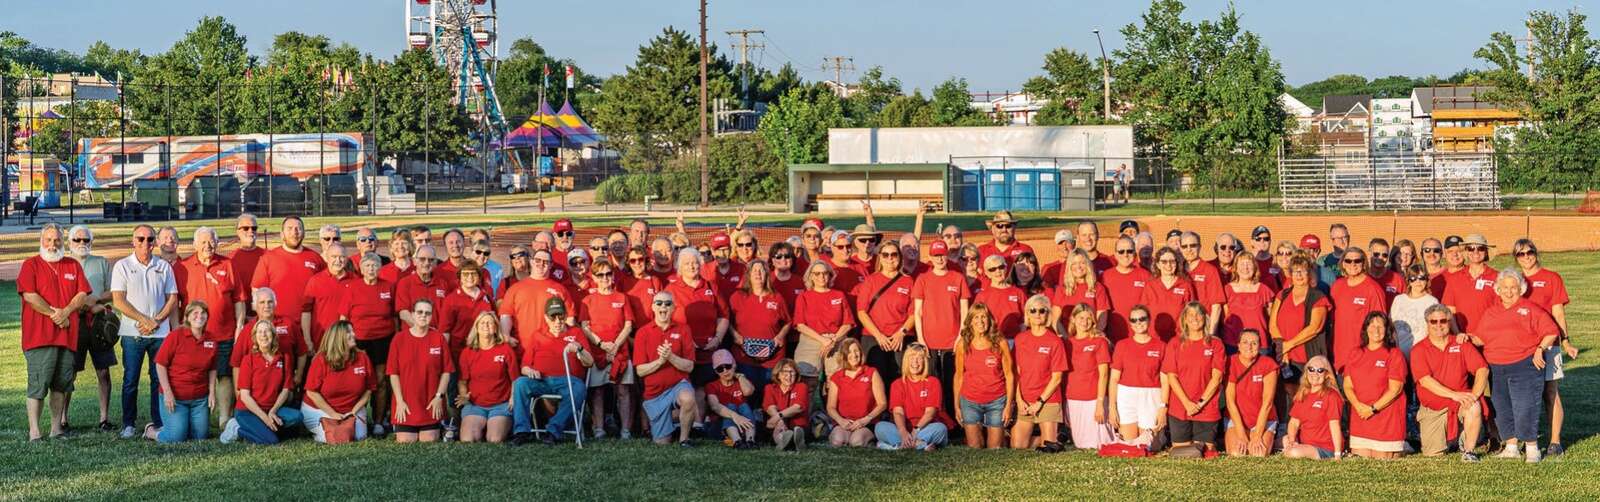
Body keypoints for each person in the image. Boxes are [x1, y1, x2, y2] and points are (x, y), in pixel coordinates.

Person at [1472, 270, 1560, 463]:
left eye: (1513, 287)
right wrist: (1466, 337)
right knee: (1502, 407)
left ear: (1521, 289)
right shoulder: (1491, 312)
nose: (1509, 291)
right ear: (1498, 289)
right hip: (1496, 367)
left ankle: (1532, 449)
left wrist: (1540, 349)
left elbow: (1551, 331)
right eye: (1505, 287)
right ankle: (1511, 447)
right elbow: (1480, 338)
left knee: (1525, 406)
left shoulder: (1530, 309)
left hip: (1524, 364)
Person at [111, 224, 180, 439]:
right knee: (130, 380)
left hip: (160, 334)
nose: (145, 243)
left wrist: (156, 321)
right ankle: (128, 424)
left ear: (155, 242)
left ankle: (158, 422)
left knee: (158, 380)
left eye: (150, 239)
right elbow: (118, 300)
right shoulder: (122, 266)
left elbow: (172, 298)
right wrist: (144, 320)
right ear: (133, 241)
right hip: (133, 334)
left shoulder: (163, 266)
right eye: (140, 239)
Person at [1512, 238, 1573, 457]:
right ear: (1516, 258)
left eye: (1529, 252)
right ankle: (1522, 439)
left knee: (1550, 391)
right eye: (1520, 254)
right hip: (1520, 345)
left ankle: (1555, 442)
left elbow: (1558, 313)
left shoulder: (1551, 278)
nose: (1526, 257)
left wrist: (1565, 341)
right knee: (1521, 394)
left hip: (1548, 344)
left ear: (1536, 253)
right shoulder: (1514, 280)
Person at [508, 298, 595, 446]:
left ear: (566, 316)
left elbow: (590, 362)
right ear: (546, 318)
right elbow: (524, 367)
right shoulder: (537, 335)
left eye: (561, 316)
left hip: (568, 381)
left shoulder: (576, 332)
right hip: (542, 380)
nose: (557, 321)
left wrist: (579, 348)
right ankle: (522, 432)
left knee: (579, 388)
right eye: (553, 317)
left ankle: (553, 430)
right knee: (520, 383)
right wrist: (530, 371)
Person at [1410, 304, 1487, 461]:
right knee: (1433, 453)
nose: (1438, 325)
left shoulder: (1461, 344)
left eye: (1443, 321)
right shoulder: (1419, 349)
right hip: (1434, 407)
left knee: (1474, 406)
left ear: (1449, 322)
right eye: (1434, 321)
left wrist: (1474, 395)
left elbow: (1482, 369)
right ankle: (1455, 440)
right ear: (1427, 323)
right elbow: (1425, 381)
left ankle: (1469, 451)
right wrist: (1453, 395)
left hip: (1460, 402)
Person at [576, 260, 637, 439]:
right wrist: (601, 344)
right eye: (600, 275)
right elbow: (585, 327)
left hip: (620, 352)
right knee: (597, 391)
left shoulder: (622, 298)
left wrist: (615, 345)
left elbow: (628, 325)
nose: (605, 278)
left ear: (613, 275)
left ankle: (625, 430)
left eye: (608, 273)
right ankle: (598, 428)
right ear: (594, 277)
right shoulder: (587, 300)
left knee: (623, 390)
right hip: (597, 353)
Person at [64, 224, 116, 432]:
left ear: (91, 242)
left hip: (98, 323)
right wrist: (79, 305)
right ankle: (63, 418)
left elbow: (113, 291)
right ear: (69, 242)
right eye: (77, 239)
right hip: (73, 323)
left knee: (103, 371)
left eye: (86, 239)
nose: (81, 243)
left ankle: (104, 418)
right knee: (70, 372)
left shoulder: (101, 262)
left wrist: (95, 300)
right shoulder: (64, 264)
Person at [250, 216, 325, 352]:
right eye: (289, 229)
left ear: (304, 233)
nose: (294, 232)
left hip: (309, 328)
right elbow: (257, 293)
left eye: (298, 228)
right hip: (278, 328)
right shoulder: (269, 258)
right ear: (282, 234)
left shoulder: (315, 258)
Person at [222, 319, 303, 445]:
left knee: (297, 417)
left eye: (267, 331)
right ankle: (237, 429)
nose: (263, 335)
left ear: (273, 335)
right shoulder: (248, 360)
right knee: (271, 440)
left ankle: (263, 428)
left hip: (272, 408)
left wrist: (273, 411)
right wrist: (265, 418)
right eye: (259, 332)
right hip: (248, 411)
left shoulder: (284, 358)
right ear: (255, 337)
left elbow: (286, 390)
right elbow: (245, 396)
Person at [633, 292, 699, 446]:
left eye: (668, 303)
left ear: (673, 307)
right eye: (659, 303)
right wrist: (660, 361)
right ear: (653, 307)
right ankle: (673, 423)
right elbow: (640, 371)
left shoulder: (683, 329)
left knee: (688, 398)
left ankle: (684, 439)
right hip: (655, 394)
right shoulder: (643, 332)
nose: (663, 306)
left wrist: (671, 357)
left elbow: (689, 366)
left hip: (678, 385)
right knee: (662, 443)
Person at [341, 252, 396, 435]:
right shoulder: (352, 287)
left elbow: (395, 316)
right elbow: (343, 318)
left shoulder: (388, 287)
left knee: (381, 381)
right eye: (367, 266)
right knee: (359, 380)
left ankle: (379, 421)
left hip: (383, 340)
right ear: (362, 269)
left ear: (380, 268)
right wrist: (344, 341)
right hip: (359, 341)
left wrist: (396, 338)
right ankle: (357, 417)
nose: (371, 269)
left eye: (375, 265)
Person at [665, 248, 730, 398]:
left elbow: (724, 315)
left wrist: (717, 339)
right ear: (680, 267)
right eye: (687, 263)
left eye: (694, 262)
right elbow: (665, 321)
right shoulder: (671, 290)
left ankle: (702, 415)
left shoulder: (711, 286)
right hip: (682, 354)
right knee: (684, 394)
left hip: (708, 352)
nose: (691, 266)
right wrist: (686, 340)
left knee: (704, 393)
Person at [1162, 302, 1226, 453]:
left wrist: (1200, 404)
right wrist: (1187, 403)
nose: (1195, 318)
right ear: (1184, 319)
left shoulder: (1215, 344)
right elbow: (1171, 377)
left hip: (1206, 408)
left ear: (1205, 317)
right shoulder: (1175, 343)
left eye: (1198, 314)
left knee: (1204, 452)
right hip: (1180, 407)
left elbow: (1216, 378)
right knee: (1181, 453)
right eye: (1190, 314)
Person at [1342, 312, 1408, 459]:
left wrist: (1372, 409)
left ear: (1387, 330)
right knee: (1360, 464)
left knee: (1382, 462)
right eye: (1372, 325)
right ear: (1366, 328)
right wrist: (1358, 406)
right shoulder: (1355, 353)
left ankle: (1401, 449)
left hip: (1386, 420)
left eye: (1381, 326)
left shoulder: (1394, 354)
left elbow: (1395, 390)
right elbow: (1347, 386)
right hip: (1361, 418)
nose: (1376, 330)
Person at [387, 299, 454, 443]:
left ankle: (442, 426)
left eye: (427, 313)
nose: (423, 315)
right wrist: (399, 401)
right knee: (405, 440)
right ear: (412, 314)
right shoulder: (399, 339)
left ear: (431, 316)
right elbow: (393, 373)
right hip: (406, 402)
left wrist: (439, 397)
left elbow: (446, 372)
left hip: (431, 402)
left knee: (429, 439)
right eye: (420, 312)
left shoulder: (438, 338)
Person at [302, 321, 378, 444]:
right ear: (338, 337)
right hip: (319, 409)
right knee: (338, 438)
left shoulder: (363, 358)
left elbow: (369, 389)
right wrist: (333, 414)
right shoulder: (321, 360)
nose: (353, 334)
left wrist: (354, 411)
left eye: (353, 331)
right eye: (348, 332)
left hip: (352, 409)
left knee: (358, 437)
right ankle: (321, 429)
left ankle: (343, 425)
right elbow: (312, 393)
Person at [153, 303, 218, 443]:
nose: (199, 316)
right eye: (195, 313)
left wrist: (212, 392)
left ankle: (183, 424)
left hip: (200, 399)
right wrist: (167, 393)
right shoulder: (175, 336)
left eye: (203, 313)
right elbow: (160, 364)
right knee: (176, 438)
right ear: (187, 317)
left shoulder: (211, 339)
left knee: (201, 437)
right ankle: (151, 432)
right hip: (176, 398)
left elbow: (212, 368)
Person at [727, 259, 790, 404]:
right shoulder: (737, 297)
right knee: (748, 398)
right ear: (748, 275)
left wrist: (780, 336)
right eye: (754, 270)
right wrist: (735, 335)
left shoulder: (777, 297)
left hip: (772, 358)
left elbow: (788, 322)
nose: (758, 273)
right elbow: (726, 320)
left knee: (769, 398)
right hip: (744, 356)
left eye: (761, 270)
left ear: (767, 274)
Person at [952, 304, 1014, 449]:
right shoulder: (963, 344)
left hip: (996, 401)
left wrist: (1008, 406)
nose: (980, 321)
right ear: (970, 321)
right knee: (975, 447)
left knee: (994, 449)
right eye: (976, 317)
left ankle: (1002, 437)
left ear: (989, 320)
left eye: (983, 317)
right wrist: (957, 405)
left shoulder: (1000, 343)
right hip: (970, 401)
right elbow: (958, 376)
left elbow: (1009, 375)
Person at [912, 239, 969, 394]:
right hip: (929, 342)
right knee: (931, 384)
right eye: (936, 255)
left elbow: (964, 311)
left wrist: (960, 336)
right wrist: (921, 339)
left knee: (951, 384)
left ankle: (952, 410)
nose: (940, 259)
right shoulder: (922, 279)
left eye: (942, 255)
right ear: (930, 257)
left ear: (947, 255)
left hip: (952, 342)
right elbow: (917, 312)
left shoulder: (958, 278)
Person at [1012, 295, 1067, 452]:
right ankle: (1057, 438)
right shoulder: (1020, 339)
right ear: (1027, 314)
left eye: (1042, 311)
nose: (1037, 314)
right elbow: (1017, 373)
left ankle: (1055, 439)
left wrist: (1039, 402)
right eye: (1033, 310)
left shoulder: (1055, 341)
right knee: (1017, 447)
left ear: (1047, 314)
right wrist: (1019, 400)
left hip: (1048, 399)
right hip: (1025, 399)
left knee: (1048, 447)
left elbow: (1057, 378)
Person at [1269, 256, 1331, 396]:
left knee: (1309, 394)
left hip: (1307, 356)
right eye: (1295, 271)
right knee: (1288, 394)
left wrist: (1288, 345)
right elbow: (1272, 325)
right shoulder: (1282, 295)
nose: (1299, 275)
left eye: (1303, 271)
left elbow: (1314, 328)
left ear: (1309, 273)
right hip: (1285, 356)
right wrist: (1282, 349)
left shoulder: (1318, 297)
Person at [853, 241, 913, 383]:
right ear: (880, 257)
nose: (890, 258)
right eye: (885, 255)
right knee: (876, 380)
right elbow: (861, 312)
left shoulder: (908, 281)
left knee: (899, 380)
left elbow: (913, 313)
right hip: (874, 338)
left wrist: (901, 333)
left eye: (894, 254)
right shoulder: (871, 280)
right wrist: (878, 336)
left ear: (899, 257)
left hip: (899, 339)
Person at [875, 344, 953, 451]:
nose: (915, 362)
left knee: (940, 429)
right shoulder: (897, 384)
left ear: (924, 362)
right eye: (911, 358)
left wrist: (916, 430)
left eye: (919, 358)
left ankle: (896, 446)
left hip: (925, 428)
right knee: (880, 427)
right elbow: (898, 413)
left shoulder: (933, 382)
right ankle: (920, 445)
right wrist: (903, 432)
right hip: (904, 428)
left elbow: (930, 413)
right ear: (906, 361)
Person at [455, 312, 518, 444]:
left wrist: (513, 397)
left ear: (496, 328)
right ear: (476, 328)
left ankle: (495, 426)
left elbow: (515, 379)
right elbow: (462, 382)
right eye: (482, 323)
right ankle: (481, 427)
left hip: (500, 404)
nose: (486, 325)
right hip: (475, 405)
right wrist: (464, 396)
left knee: (494, 439)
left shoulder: (505, 350)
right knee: (468, 439)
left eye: (490, 323)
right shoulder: (467, 352)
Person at [1108, 305, 1166, 448]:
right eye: (1134, 320)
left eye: (1142, 319)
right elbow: (1114, 379)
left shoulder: (1161, 346)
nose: (1138, 323)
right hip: (1126, 395)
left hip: (1151, 395)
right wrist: (1112, 407)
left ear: (1149, 320)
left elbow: (1165, 381)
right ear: (1130, 323)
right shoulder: (1122, 345)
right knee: (1129, 445)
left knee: (1150, 446)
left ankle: (1162, 438)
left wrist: (1163, 407)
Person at [498, 248, 575, 352]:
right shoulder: (515, 289)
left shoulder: (560, 289)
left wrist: (563, 339)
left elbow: (570, 319)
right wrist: (506, 335)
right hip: (522, 347)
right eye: (538, 260)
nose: (541, 264)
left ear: (551, 265)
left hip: (551, 347)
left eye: (545, 262)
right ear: (532, 262)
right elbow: (506, 314)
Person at [1063, 303, 1114, 450]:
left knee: (1099, 444)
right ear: (1073, 319)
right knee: (1080, 444)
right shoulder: (1067, 343)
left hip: (1093, 399)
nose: (1084, 322)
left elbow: (1104, 374)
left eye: (1088, 318)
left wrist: (1100, 403)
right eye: (1081, 318)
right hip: (1073, 398)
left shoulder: (1099, 342)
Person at [1223, 329, 1278, 457]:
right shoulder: (1230, 362)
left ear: (1260, 346)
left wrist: (1257, 435)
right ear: (1238, 345)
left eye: (1254, 343)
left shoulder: (1268, 364)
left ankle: (1275, 438)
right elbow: (1230, 402)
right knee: (1237, 453)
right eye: (1245, 342)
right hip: (1237, 420)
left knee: (1259, 454)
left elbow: (1268, 403)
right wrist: (1241, 435)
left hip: (1263, 420)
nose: (1249, 346)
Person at [1330, 247, 1386, 368]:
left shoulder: (1373, 288)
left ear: (1364, 263)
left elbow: (1380, 326)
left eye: (1357, 261)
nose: (1353, 264)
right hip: (1338, 355)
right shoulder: (1337, 286)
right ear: (1343, 264)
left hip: (1362, 356)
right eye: (1348, 261)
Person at [827, 338, 887, 447]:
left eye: (856, 351)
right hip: (845, 422)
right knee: (837, 441)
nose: (854, 355)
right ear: (844, 355)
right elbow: (830, 407)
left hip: (866, 422)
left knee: (856, 442)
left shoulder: (871, 372)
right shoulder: (837, 377)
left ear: (861, 352)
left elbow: (882, 404)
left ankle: (870, 438)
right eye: (849, 352)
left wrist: (865, 420)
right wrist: (841, 421)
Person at [1283, 355, 1344, 460]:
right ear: (1306, 372)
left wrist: (1337, 454)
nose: (1315, 373)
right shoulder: (1303, 393)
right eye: (1311, 369)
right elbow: (1294, 423)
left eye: (1320, 370)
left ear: (1327, 374)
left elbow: (1335, 425)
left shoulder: (1332, 396)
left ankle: (1294, 450)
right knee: (1285, 439)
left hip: (1324, 447)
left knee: (1293, 452)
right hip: (1305, 444)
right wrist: (1292, 440)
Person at [300, 243, 356, 352]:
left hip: (347, 341)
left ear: (346, 258)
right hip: (321, 341)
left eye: (342, 257)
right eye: (334, 257)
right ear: (326, 258)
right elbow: (306, 312)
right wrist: (307, 340)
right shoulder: (315, 281)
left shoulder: (355, 280)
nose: (338, 260)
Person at [1443, 234, 1498, 335]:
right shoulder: (1454, 278)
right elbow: (1450, 310)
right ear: (1466, 252)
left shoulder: (1497, 277)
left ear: (1486, 252)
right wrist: (1458, 334)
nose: (1475, 252)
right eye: (1471, 248)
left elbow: (1501, 309)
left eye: (1480, 248)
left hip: (1489, 337)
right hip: (1463, 338)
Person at [704, 349, 759, 449]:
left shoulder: (741, 381)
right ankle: (737, 441)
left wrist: (740, 376)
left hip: (742, 424)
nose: (725, 371)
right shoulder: (712, 386)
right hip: (720, 426)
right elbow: (714, 406)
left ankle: (750, 440)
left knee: (744, 406)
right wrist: (736, 416)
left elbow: (748, 391)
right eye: (720, 369)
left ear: (734, 365)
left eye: (728, 366)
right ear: (716, 371)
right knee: (731, 405)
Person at [1101, 237, 1152, 343]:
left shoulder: (1145, 275)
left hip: (1139, 336)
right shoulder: (1105, 277)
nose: (1125, 254)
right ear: (1115, 254)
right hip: (1112, 338)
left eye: (1129, 251)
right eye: (1121, 251)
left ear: (1135, 253)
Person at [1140, 247, 1195, 341]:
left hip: (1179, 339)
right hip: (1155, 339)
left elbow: (1192, 312)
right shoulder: (1150, 286)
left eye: (1172, 261)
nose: (1168, 265)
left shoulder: (1185, 285)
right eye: (1164, 262)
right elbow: (1143, 312)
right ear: (1158, 264)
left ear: (1176, 263)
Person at [1051, 250, 1110, 334]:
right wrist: (1067, 339)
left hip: (1091, 338)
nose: (1078, 267)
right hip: (1067, 338)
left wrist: (1093, 338)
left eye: (1082, 263)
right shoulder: (1062, 289)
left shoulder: (1097, 288)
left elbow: (1102, 320)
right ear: (1069, 266)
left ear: (1088, 265)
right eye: (1074, 263)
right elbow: (1055, 321)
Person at [396, 245, 453, 331]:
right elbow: (403, 313)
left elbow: (447, 313)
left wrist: (439, 332)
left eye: (431, 260)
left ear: (435, 263)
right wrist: (424, 329)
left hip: (437, 333)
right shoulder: (404, 283)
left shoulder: (443, 284)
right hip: (413, 333)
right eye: (422, 259)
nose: (426, 263)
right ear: (414, 261)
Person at [1178, 232, 1225, 335]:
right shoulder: (1178, 270)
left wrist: (1210, 333)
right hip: (1182, 329)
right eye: (1185, 246)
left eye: (1193, 245)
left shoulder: (1210, 270)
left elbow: (1216, 306)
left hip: (1203, 329)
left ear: (1199, 247)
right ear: (1180, 248)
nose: (1189, 249)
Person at [1222, 256, 1273, 350]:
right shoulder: (1227, 290)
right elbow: (1225, 316)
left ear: (1255, 267)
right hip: (1233, 343)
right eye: (1242, 264)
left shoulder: (1264, 290)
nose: (1245, 268)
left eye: (1249, 264)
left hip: (1259, 343)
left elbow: (1271, 318)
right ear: (1235, 268)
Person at [1389, 264, 1439, 356]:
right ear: (1409, 281)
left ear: (1427, 279)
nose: (1418, 281)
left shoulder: (1432, 302)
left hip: (1420, 354)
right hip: (1397, 353)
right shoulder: (1399, 299)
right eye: (1413, 278)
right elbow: (1390, 324)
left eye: (1421, 278)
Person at [764, 359, 811, 451]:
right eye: (784, 372)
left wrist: (778, 417)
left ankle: (795, 440)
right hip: (778, 425)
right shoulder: (770, 388)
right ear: (778, 374)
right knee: (779, 429)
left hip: (798, 424)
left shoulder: (801, 386)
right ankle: (783, 441)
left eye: (792, 372)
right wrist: (780, 421)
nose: (789, 375)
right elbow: (770, 407)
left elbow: (798, 407)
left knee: (798, 430)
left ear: (796, 374)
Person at [973, 255, 1026, 337]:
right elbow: (976, 320)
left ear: (1006, 268)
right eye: (992, 269)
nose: (998, 271)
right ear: (987, 273)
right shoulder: (982, 296)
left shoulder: (1018, 293)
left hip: (1013, 339)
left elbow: (1024, 320)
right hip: (990, 338)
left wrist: (1020, 339)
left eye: (1001, 267)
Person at [230, 214, 266, 290]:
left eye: (254, 228)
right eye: (246, 228)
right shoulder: (230, 259)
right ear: (237, 231)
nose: (251, 231)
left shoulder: (268, 256)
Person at [1367, 238, 1405, 304]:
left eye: (1384, 255)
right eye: (1376, 254)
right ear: (1369, 254)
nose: (1380, 258)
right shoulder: (1361, 277)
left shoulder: (1398, 280)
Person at [1316, 223, 1352, 291]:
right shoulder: (1323, 261)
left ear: (1349, 238)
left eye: (1345, 237)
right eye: (1338, 238)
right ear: (1332, 241)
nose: (1342, 241)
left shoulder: (1356, 259)